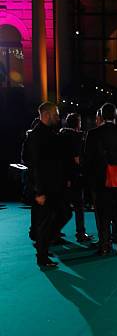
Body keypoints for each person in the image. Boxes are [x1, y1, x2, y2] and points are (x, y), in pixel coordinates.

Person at [83, 102, 117, 255]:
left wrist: (89, 181)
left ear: (100, 116)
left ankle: (105, 245)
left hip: (101, 181)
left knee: (102, 214)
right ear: (115, 116)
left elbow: (88, 160)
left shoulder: (93, 134)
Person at [25, 102, 64, 268]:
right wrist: (39, 191)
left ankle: (43, 247)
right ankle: (42, 255)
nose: (58, 117)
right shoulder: (37, 136)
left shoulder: (47, 133)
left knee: (57, 216)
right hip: (43, 188)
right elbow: (34, 164)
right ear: (47, 115)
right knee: (46, 222)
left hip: (51, 186)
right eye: (56, 114)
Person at [59, 113, 94, 243]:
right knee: (79, 206)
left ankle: (55, 232)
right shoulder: (76, 137)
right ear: (77, 123)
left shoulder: (60, 135)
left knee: (62, 206)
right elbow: (77, 159)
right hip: (74, 176)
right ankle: (80, 233)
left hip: (61, 176)